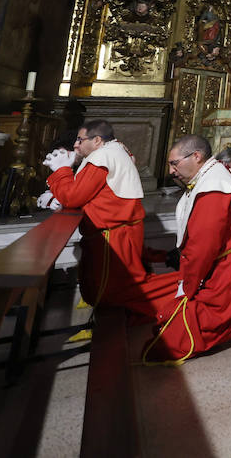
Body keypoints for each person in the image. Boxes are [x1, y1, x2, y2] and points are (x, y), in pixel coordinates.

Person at [141, 135, 231, 365]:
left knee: (182, 335)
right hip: (221, 261)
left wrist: (188, 286)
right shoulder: (210, 177)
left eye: (174, 163)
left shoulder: (213, 187)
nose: (171, 171)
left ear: (196, 156)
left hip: (228, 265)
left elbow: (203, 245)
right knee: (170, 322)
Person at [40, 120, 154, 316]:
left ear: (97, 140)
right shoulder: (114, 149)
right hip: (115, 230)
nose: (75, 145)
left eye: (80, 140)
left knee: (111, 289)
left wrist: (61, 172)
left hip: (112, 233)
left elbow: (73, 197)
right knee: (113, 286)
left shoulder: (101, 157)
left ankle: (113, 329)